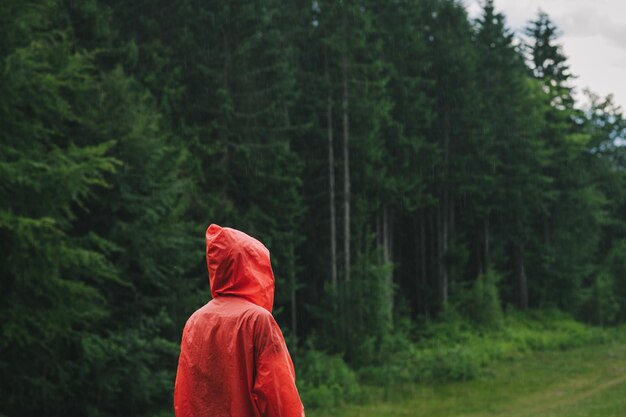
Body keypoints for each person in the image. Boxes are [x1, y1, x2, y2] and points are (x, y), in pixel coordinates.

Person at [174, 224, 305, 417]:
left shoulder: (194, 322)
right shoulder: (258, 321)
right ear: (253, 267)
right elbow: (279, 397)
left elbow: (184, 396)